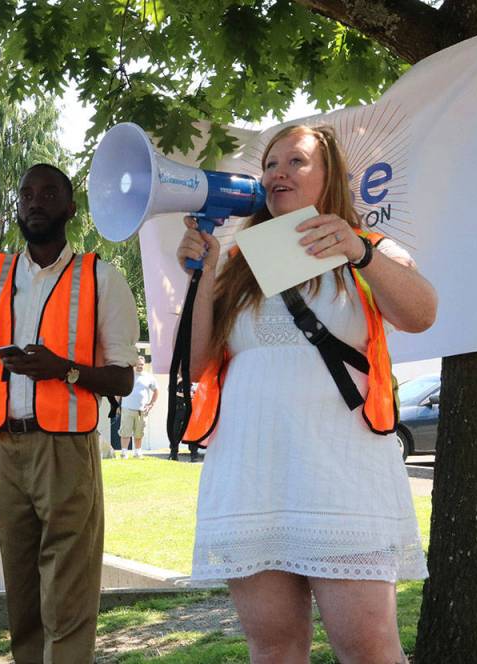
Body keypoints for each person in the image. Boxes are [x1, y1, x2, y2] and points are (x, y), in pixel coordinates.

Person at [176, 124, 437, 664]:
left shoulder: (368, 248)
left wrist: (359, 254)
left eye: (296, 161)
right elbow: (198, 362)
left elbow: (422, 313)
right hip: (252, 474)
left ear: (330, 176)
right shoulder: (236, 263)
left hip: (342, 473)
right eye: (271, 164)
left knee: (368, 648)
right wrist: (202, 276)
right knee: (273, 649)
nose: (278, 173)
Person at [0, 163, 139, 663]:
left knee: (69, 596)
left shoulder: (101, 276)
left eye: (49, 193)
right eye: (27, 193)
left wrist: (65, 370)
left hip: (67, 451)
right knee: (23, 598)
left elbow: (122, 379)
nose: (35, 201)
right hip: (4, 452)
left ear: (70, 208)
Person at [118, 355, 158, 458]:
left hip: (142, 410)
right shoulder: (128, 375)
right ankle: (124, 452)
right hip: (127, 408)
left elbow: (156, 391)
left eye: (141, 364)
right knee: (125, 431)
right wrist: (117, 405)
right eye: (138, 364)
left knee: (139, 432)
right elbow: (119, 390)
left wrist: (151, 404)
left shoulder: (149, 377)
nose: (140, 366)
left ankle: (137, 451)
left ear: (144, 365)